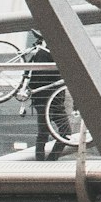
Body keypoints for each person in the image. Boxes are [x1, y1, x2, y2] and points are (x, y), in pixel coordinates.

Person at [25, 30, 65, 161]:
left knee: (62, 133)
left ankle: (48, 162)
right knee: (46, 133)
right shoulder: (43, 54)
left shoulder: (53, 54)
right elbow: (40, 77)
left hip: (55, 100)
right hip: (44, 99)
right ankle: (42, 163)